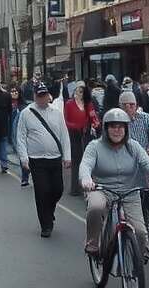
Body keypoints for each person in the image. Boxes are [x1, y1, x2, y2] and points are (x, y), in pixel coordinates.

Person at [80, 108, 149, 255]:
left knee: (140, 232)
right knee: (96, 207)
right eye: (113, 126)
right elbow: (85, 165)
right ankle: (92, 242)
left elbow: (148, 165)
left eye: (120, 126)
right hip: (101, 189)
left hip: (130, 192)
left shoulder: (134, 146)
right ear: (106, 128)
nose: (117, 130)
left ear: (126, 128)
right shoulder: (94, 146)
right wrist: (86, 179)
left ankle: (137, 262)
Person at [16, 83, 71, 237]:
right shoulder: (26, 113)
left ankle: (50, 210)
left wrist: (67, 156)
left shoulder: (56, 113)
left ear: (48, 96)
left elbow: (64, 135)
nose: (42, 99)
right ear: (34, 96)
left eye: (44, 95)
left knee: (57, 189)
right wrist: (23, 158)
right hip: (36, 159)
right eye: (39, 96)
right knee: (42, 191)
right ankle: (46, 225)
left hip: (55, 158)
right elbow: (20, 137)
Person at [64, 82, 100, 196]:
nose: (79, 93)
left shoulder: (88, 103)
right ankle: (75, 188)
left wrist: (95, 122)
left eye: (82, 91)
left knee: (88, 160)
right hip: (74, 135)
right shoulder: (69, 104)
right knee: (76, 161)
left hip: (85, 134)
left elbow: (93, 116)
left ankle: (88, 184)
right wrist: (74, 126)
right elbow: (66, 120)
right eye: (78, 91)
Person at [9, 86, 32, 186]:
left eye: (15, 91)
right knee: (22, 155)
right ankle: (25, 177)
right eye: (12, 91)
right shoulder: (7, 104)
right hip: (13, 132)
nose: (14, 93)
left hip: (24, 133)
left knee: (27, 154)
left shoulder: (23, 106)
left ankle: (25, 176)